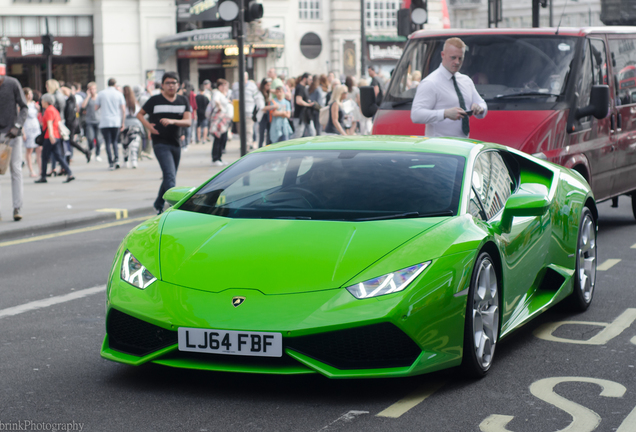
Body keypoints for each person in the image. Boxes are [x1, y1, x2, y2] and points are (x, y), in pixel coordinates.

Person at [136, 72, 191, 214]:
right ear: (162, 85)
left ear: (178, 85)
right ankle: (175, 207)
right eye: (168, 83)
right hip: (160, 142)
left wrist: (173, 121)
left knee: (170, 175)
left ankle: (158, 203)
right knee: (170, 175)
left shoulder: (183, 100)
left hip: (176, 142)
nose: (171, 85)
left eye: (174, 82)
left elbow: (188, 121)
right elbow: (139, 114)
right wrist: (149, 127)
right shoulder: (155, 100)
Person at [411, 37, 488, 138]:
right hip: (440, 147)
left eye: (460, 58)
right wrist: (444, 114)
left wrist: (480, 108)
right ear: (443, 55)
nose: (457, 62)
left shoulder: (466, 81)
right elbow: (416, 115)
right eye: (453, 57)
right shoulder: (430, 82)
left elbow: (482, 104)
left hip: (463, 144)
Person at [0, 71, 28, 221]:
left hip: (12, 134)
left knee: (15, 170)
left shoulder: (12, 84)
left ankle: (17, 207)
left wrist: (17, 126)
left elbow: (24, 107)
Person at [35, 93, 75, 184]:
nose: (41, 102)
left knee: (44, 157)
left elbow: (49, 124)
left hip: (50, 136)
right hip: (56, 136)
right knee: (59, 156)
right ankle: (69, 173)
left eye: (42, 101)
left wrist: (51, 135)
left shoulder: (48, 110)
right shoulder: (55, 110)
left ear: (46, 101)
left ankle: (43, 176)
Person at [95, 78, 126, 170]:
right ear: (115, 84)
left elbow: (96, 108)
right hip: (116, 121)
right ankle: (117, 159)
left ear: (107, 84)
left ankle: (110, 163)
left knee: (107, 143)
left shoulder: (101, 93)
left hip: (105, 121)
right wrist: (123, 122)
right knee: (115, 141)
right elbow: (123, 110)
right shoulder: (119, 94)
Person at [206, 79, 233, 166]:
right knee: (218, 138)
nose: (226, 88)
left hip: (223, 120)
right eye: (224, 86)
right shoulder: (217, 93)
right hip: (219, 120)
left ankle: (219, 158)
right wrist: (220, 107)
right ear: (220, 86)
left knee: (223, 138)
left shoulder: (223, 94)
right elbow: (216, 101)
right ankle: (215, 158)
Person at [230, 72, 259, 149]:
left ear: (247, 77)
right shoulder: (235, 85)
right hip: (238, 112)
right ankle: (243, 144)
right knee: (240, 130)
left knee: (248, 130)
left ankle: (247, 145)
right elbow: (232, 97)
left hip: (249, 111)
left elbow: (257, 98)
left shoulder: (252, 86)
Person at [22, 87, 42, 178]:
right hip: (27, 127)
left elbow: (38, 115)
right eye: (29, 94)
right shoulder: (22, 105)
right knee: (29, 150)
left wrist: (38, 109)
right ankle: (31, 170)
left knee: (39, 149)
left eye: (31, 94)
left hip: (36, 126)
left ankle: (41, 169)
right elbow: (21, 119)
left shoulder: (34, 104)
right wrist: (23, 132)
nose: (30, 96)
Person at [122, 86, 144, 168]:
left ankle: (126, 161)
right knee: (134, 143)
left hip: (125, 124)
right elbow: (139, 114)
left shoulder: (122, 101)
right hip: (135, 124)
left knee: (125, 143)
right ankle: (134, 160)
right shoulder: (134, 102)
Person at [82, 82, 103, 161]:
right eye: (90, 89)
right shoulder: (87, 98)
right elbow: (83, 106)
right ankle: (90, 150)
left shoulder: (99, 97)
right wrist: (88, 96)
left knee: (98, 139)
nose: (92, 91)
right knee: (90, 138)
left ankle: (97, 154)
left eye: (93, 89)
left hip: (98, 120)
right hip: (89, 121)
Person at [292, 73, 316, 138]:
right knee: (298, 134)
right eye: (310, 79)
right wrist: (308, 104)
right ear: (305, 79)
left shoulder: (304, 88)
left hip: (306, 115)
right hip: (300, 115)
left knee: (312, 132)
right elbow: (298, 101)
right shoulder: (300, 87)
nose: (311, 81)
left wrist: (308, 102)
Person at [255, 77, 275, 148]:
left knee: (269, 133)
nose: (269, 87)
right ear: (263, 85)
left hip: (268, 115)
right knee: (262, 134)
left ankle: (268, 147)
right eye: (267, 85)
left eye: (270, 85)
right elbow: (262, 108)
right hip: (262, 116)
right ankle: (260, 148)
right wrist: (274, 106)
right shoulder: (259, 94)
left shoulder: (268, 93)